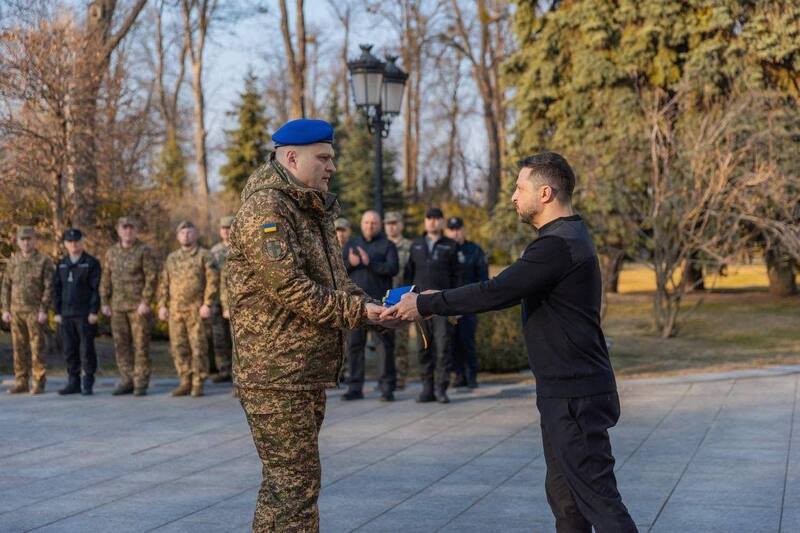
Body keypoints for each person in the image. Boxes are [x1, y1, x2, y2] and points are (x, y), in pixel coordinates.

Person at [384, 152, 638, 533]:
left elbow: (497, 291)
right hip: (564, 391)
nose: (513, 198)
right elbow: (504, 288)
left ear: (546, 193)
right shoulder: (564, 236)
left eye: (520, 188)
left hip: (575, 394)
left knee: (600, 503)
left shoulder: (557, 245)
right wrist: (438, 297)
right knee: (567, 504)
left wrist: (425, 303)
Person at [226, 118, 388, 532]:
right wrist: (359, 314)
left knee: (294, 486)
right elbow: (292, 289)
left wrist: (379, 308)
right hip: (276, 373)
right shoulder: (268, 209)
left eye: (331, 157)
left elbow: (335, 283)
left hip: (299, 372)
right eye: (324, 157)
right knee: (291, 486)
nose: (332, 166)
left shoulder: (307, 206)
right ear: (292, 157)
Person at [403, 206, 459, 404]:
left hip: (443, 305)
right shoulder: (416, 245)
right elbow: (408, 276)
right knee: (423, 348)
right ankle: (427, 389)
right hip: (419, 307)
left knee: (443, 348)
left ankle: (442, 389)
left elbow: (457, 277)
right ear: (425, 221)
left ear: (442, 222)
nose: (432, 221)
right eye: (429, 218)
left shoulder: (451, 246)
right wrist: (405, 300)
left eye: (436, 218)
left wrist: (457, 305)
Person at [341, 210, 399, 402]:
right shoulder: (352, 244)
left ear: (379, 225)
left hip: (382, 304)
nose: (370, 226)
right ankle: (355, 387)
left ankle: (387, 388)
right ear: (361, 224)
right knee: (355, 346)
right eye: (366, 223)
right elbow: (339, 271)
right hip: (357, 306)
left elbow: (393, 269)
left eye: (373, 223)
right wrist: (351, 262)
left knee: (385, 347)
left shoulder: (388, 245)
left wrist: (369, 263)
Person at [157, 220, 218, 398]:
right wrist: (162, 305)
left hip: (196, 309)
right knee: (178, 346)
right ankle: (185, 381)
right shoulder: (172, 258)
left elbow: (212, 281)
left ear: (196, 235)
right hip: (176, 310)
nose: (186, 235)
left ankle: (198, 382)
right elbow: (164, 284)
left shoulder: (204, 255)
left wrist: (207, 303)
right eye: (183, 233)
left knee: (198, 346)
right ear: (177, 237)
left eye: (190, 232)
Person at [101, 217, 158, 396]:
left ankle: (140, 382)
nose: (128, 231)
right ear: (118, 231)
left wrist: (146, 302)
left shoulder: (144, 250)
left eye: (131, 228)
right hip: (117, 306)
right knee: (121, 345)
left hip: (137, 307)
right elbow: (106, 278)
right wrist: (104, 301)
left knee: (141, 346)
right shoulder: (111, 252)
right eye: (124, 228)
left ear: (136, 230)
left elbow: (151, 277)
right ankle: (127, 379)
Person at [1, 226, 54, 394]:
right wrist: (5, 309)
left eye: (29, 239)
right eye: (22, 239)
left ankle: (38, 382)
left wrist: (44, 309)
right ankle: (21, 381)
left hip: (34, 311)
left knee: (37, 347)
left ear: (35, 240)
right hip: (16, 311)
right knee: (18, 347)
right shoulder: (13, 261)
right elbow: (6, 286)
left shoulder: (43, 260)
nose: (26, 242)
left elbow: (49, 287)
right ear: (17, 241)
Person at [52, 228, 102, 396]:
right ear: (65, 244)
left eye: (77, 241)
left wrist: (94, 310)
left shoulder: (91, 263)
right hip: (66, 314)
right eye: (70, 242)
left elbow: (96, 289)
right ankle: (73, 382)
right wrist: (57, 311)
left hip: (85, 314)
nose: (73, 244)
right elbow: (56, 289)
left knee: (86, 349)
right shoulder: (62, 264)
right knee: (69, 349)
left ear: (82, 242)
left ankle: (87, 382)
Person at [444, 216, 488, 389]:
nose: (455, 233)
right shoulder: (445, 250)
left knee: (467, 340)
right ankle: (458, 375)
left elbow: (482, 278)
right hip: (448, 303)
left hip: (469, 303)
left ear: (463, 229)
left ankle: (471, 376)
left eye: (458, 229)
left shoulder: (474, 250)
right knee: (452, 342)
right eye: (451, 229)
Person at [384, 210, 413, 390]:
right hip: (383, 299)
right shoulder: (381, 246)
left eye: (395, 223)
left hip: (403, 298)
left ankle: (401, 377)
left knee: (401, 341)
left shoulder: (410, 247)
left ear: (401, 225)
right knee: (384, 342)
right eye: (388, 223)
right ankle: (386, 377)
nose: (392, 226)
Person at [209, 215, 234, 383]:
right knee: (220, 337)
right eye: (223, 229)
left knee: (236, 338)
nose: (226, 231)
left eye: (229, 228)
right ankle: (224, 369)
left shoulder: (239, 247)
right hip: (218, 299)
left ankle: (237, 373)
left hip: (235, 299)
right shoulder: (214, 251)